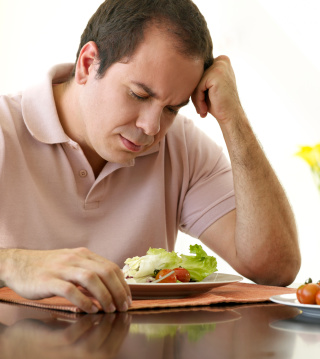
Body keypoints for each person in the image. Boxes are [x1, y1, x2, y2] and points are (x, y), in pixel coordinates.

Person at [0, 0, 300, 313]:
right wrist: (14, 264)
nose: (151, 128)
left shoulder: (181, 144)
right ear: (88, 64)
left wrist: (233, 118)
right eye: (139, 95)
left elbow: (275, 269)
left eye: (172, 108)